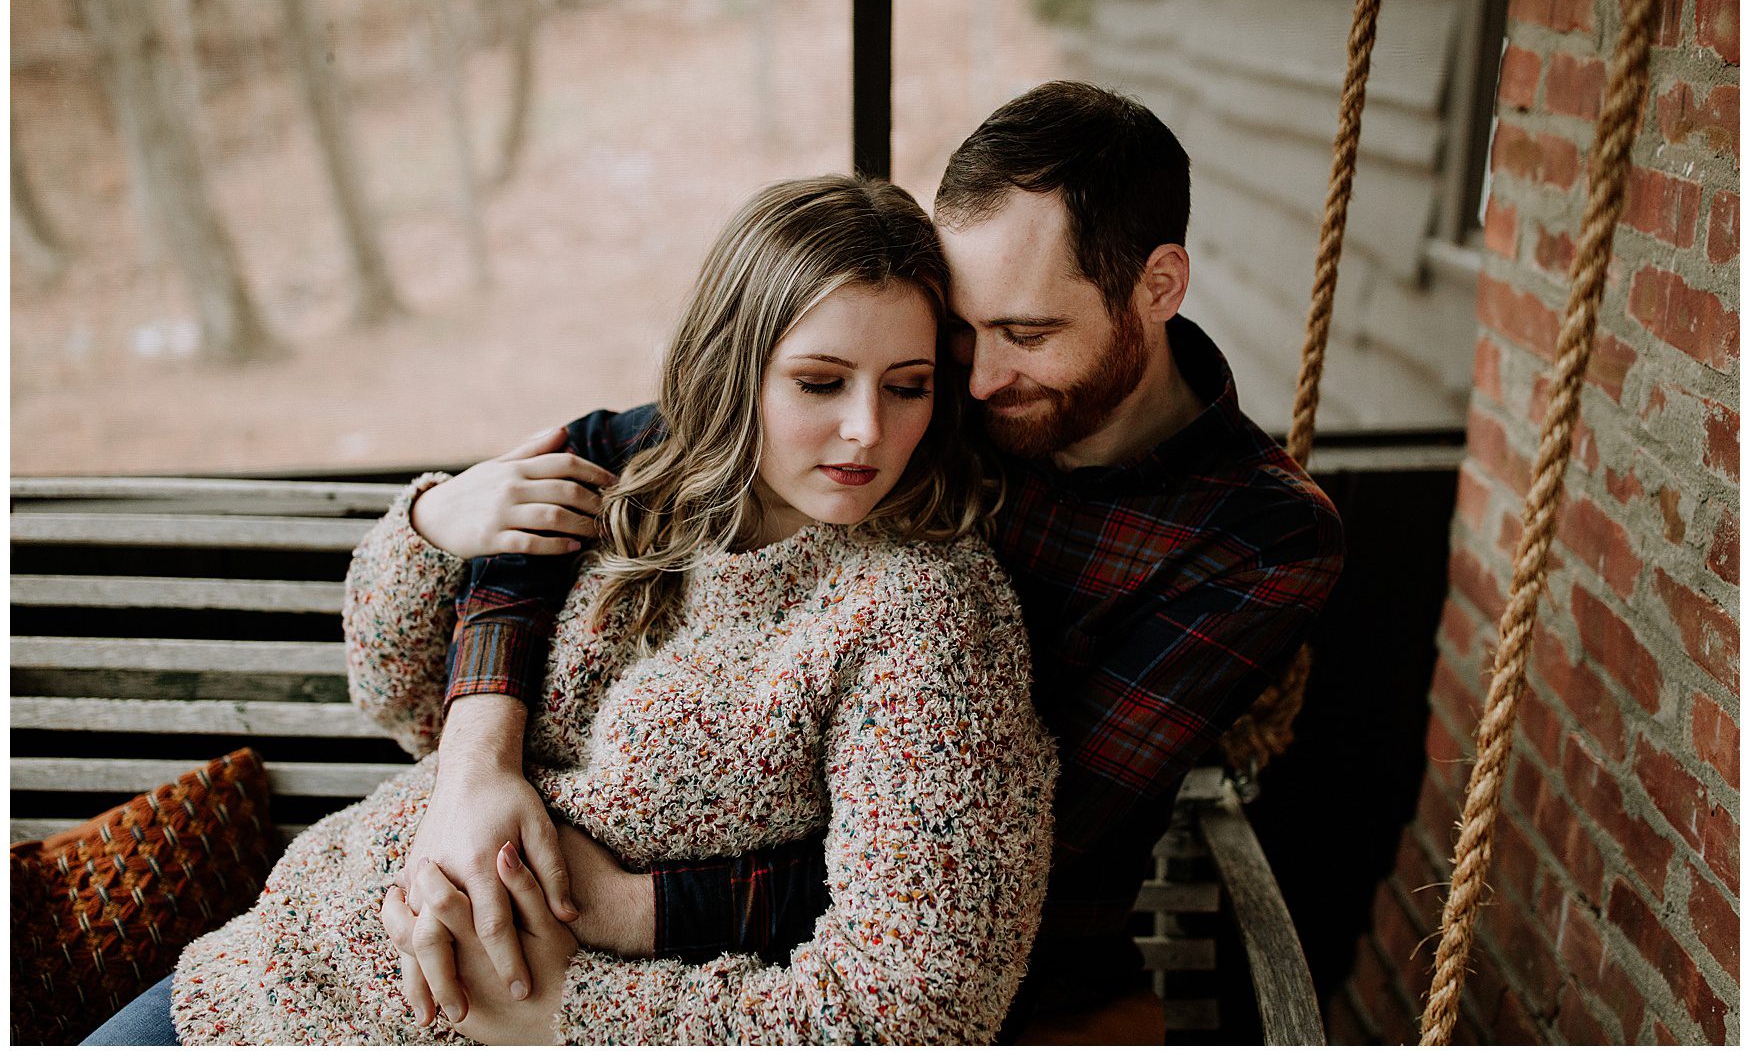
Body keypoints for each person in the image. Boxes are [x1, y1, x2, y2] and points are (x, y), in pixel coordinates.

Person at [389, 81, 1347, 1043]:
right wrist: (475, 766)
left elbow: (982, 851)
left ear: (1159, 286)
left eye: (1028, 333)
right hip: (636, 898)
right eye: (962, 333)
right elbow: (617, 456)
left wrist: (634, 905)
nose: (974, 380)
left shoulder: (1258, 535)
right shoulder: (908, 398)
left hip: (940, 946)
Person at [90, 175, 1056, 1045]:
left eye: (909, 387)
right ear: (736, 368)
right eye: (819, 381)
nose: (866, 430)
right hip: (294, 956)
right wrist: (433, 524)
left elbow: (916, 1005)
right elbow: (394, 699)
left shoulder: (924, 611)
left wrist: (565, 1012)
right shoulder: (627, 484)